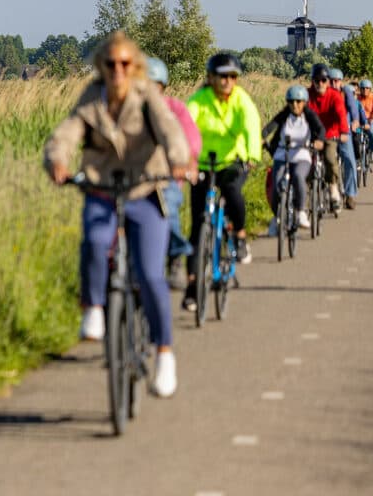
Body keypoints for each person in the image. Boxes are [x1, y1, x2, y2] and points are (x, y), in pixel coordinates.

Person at [44, 31, 192, 398]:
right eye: (111, 64)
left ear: (135, 66)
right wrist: (57, 160)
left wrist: (179, 162)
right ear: (101, 66)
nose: (118, 70)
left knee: (150, 275)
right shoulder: (92, 96)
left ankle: (164, 354)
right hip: (103, 186)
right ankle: (94, 306)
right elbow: (68, 131)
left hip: (145, 188)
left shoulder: (147, 98)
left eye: (125, 63)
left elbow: (171, 131)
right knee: (95, 242)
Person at [183, 53, 262, 311]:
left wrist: (252, 154)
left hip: (232, 160)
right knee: (197, 228)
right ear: (211, 78)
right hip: (203, 164)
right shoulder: (200, 100)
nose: (227, 81)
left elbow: (251, 125)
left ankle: (239, 234)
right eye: (222, 76)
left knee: (233, 193)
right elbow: (185, 125)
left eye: (232, 76)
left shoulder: (241, 100)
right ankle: (192, 287)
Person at [146, 57, 201, 289]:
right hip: (134, 177)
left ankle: (175, 256)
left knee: (166, 209)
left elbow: (191, 139)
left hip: (166, 177)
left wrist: (187, 163)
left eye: (154, 85)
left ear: (162, 87)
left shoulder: (176, 109)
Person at [262, 85, 325, 230]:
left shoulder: (309, 116)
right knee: (276, 183)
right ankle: (277, 217)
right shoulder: (284, 115)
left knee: (298, 176)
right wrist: (261, 137)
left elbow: (320, 129)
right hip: (282, 154)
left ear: (304, 102)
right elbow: (270, 127)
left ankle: (300, 211)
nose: (294, 105)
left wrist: (319, 140)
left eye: (298, 101)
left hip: (302, 155)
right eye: (291, 102)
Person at [307, 64, 349, 211]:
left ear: (328, 81)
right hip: (312, 136)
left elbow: (341, 114)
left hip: (330, 134)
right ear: (312, 81)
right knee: (303, 162)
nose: (320, 84)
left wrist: (344, 131)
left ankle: (333, 188)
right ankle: (308, 193)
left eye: (323, 80)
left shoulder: (334, 95)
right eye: (316, 80)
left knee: (330, 158)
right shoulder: (307, 95)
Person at [329, 68, 360, 208]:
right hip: (328, 131)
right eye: (331, 81)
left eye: (336, 81)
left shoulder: (346, 91)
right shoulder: (324, 92)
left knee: (349, 160)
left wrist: (354, 121)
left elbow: (353, 108)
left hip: (343, 130)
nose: (334, 83)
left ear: (341, 81)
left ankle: (350, 194)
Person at [357, 79, 373, 166]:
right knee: (354, 133)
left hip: (372, 120)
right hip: (360, 121)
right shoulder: (357, 97)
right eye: (363, 88)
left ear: (370, 89)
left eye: (367, 88)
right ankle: (356, 153)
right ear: (360, 89)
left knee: (372, 132)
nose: (365, 90)